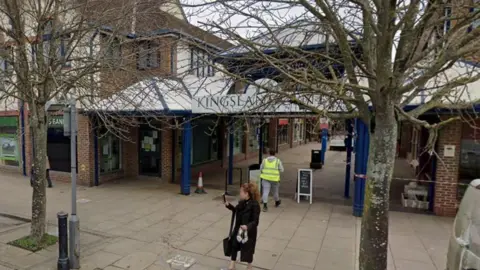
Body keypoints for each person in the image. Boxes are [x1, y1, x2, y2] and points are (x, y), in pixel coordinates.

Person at [224, 183, 261, 270]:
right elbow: (236, 210)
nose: (240, 193)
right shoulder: (242, 203)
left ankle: (249, 265)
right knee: (234, 244)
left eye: (241, 191)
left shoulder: (255, 205)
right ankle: (232, 264)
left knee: (248, 248)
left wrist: (247, 226)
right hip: (239, 228)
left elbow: (255, 221)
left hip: (248, 230)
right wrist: (229, 206)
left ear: (246, 193)